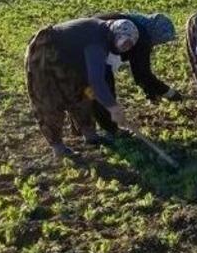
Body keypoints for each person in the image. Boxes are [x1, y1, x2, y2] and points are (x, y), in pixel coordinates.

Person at [24, 17, 139, 158]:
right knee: (48, 99)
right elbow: (97, 81)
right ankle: (58, 147)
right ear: (115, 35)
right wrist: (113, 107)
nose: (125, 48)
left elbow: (93, 79)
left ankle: (90, 135)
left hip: (68, 57)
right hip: (45, 49)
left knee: (81, 91)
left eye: (129, 45)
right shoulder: (97, 40)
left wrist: (109, 104)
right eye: (124, 44)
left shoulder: (106, 34)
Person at [92, 12, 181, 135]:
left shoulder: (133, 21)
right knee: (102, 89)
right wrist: (168, 93)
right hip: (95, 52)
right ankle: (109, 130)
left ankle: (87, 128)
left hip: (84, 46)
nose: (158, 44)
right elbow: (142, 75)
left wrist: (151, 91)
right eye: (161, 40)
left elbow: (140, 73)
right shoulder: (141, 37)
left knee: (85, 90)